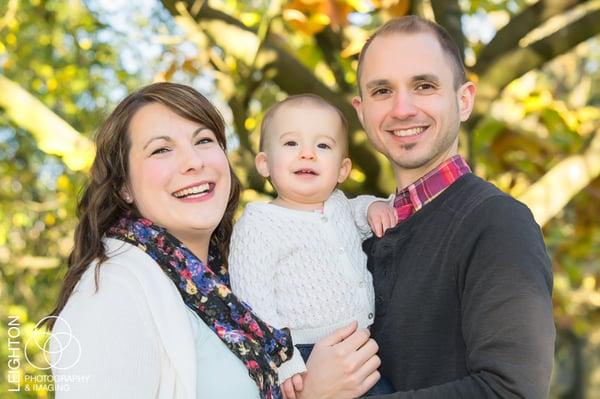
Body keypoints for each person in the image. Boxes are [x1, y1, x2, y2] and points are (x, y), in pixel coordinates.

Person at [46, 82, 380, 399]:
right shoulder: (112, 290)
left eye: (204, 140)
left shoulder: (221, 291)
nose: (194, 162)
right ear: (124, 187)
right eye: (161, 149)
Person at [350, 15, 555, 398]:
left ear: (464, 101)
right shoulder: (355, 233)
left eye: (424, 86)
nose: (402, 108)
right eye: (382, 91)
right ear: (361, 111)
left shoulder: (497, 223)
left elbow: (511, 391)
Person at [228, 94, 397, 396]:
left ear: (343, 170)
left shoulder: (339, 206)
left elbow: (358, 211)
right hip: (304, 355)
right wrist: (284, 358)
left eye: (323, 145)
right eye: (291, 143)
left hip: (362, 347)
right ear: (265, 164)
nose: (307, 154)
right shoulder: (260, 222)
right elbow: (252, 300)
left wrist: (373, 207)